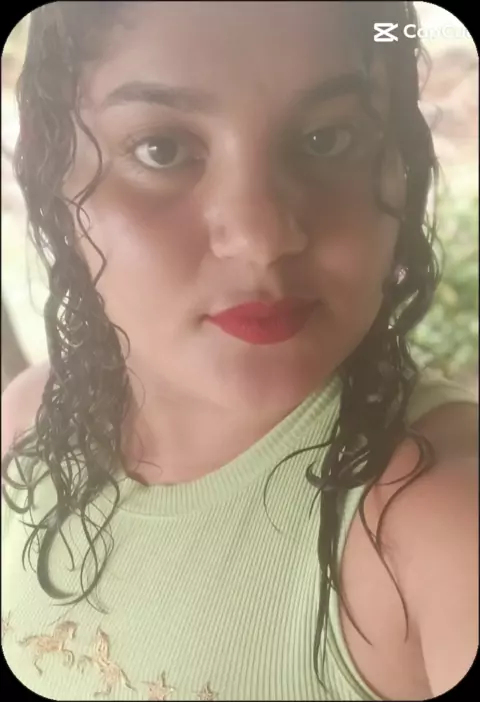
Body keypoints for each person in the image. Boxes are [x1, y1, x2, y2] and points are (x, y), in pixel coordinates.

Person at [1, 2, 477, 700]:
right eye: (162, 149)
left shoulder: (439, 522)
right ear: (52, 166)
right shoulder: (26, 424)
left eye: (327, 139)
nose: (262, 239)